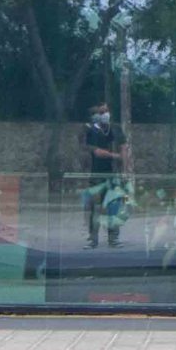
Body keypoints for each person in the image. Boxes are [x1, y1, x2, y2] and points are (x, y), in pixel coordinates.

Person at [81, 102, 125, 248]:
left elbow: (124, 147)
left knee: (113, 207)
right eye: (101, 112)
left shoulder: (116, 129)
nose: (104, 114)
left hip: (113, 175)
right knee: (95, 208)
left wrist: (123, 160)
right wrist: (115, 155)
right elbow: (97, 152)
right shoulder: (90, 131)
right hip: (96, 175)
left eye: (106, 111)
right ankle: (93, 239)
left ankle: (113, 239)